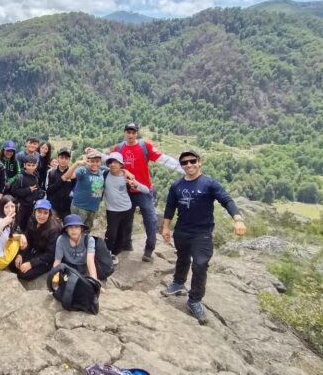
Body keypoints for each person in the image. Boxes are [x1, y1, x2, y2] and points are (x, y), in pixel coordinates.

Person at [160, 151, 246, 324]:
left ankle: (194, 300)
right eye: (184, 162)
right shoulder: (176, 185)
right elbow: (170, 207)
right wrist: (166, 227)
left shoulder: (209, 183)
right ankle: (178, 283)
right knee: (182, 258)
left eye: (192, 161)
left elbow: (226, 200)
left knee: (200, 265)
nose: (189, 165)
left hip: (202, 233)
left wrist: (238, 219)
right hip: (182, 230)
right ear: (181, 165)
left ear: (199, 162)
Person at [111, 122, 183, 262]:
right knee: (126, 220)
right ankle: (126, 245)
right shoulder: (118, 148)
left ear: (136, 133)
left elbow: (163, 159)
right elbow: (109, 162)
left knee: (150, 220)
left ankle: (149, 249)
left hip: (144, 191)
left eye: (133, 132)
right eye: (128, 132)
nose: (131, 135)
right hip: (126, 191)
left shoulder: (145, 146)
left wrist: (183, 168)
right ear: (124, 132)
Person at [103, 152, 149, 260]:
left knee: (123, 235)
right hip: (112, 210)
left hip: (127, 209)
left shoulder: (127, 177)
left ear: (121, 165)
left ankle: (114, 254)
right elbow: (94, 164)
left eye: (116, 162)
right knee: (111, 234)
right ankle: (105, 253)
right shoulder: (104, 173)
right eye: (110, 162)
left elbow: (146, 190)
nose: (112, 165)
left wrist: (135, 185)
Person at [13, 199, 60, 280]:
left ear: (49, 214)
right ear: (34, 211)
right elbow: (27, 239)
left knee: (24, 274)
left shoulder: (54, 229)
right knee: (14, 263)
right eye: (39, 211)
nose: (41, 216)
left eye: (45, 213)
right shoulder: (32, 219)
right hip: (34, 249)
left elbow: (50, 254)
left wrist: (31, 263)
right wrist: (21, 254)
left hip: (46, 258)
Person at [61, 149, 107, 231]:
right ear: (87, 161)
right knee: (76, 231)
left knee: (87, 231)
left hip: (93, 208)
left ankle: (84, 243)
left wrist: (126, 172)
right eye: (92, 161)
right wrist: (77, 163)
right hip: (80, 207)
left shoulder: (101, 171)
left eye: (97, 161)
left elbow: (115, 167)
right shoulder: (83, 170)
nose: (95, 163)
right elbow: (66, 177)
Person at [52, 214, 99, 282]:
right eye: (70, 227)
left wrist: (95, 282)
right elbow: (57, 261)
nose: (73, 230)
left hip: (84, 268)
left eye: (76, 227)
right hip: (68, 268)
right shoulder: (61, 240)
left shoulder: (89, 240)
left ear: (81, 228)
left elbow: (90, 261)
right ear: (66, 229)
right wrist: (53, 277)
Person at [10, 155, 42, 232]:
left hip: (32, 206)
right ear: (24, 165)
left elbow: (37, 189)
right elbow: (14, 191)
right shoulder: (20, 177)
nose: (31, 167)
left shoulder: (36, 175)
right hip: (22, 206)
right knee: (17, 225)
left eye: (33, 165)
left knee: (29, 226)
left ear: (36, 165)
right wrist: (28, 190)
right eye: (29, 165)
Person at [46, 147, 72, 220]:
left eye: (66, 158)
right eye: (61, 157)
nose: (64, 160)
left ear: (69, 160)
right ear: (58, 158)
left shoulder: (72, 173)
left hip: (67, 208)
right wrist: (61, 180)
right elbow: (48, 191)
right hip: (54, 207)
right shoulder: (52, 172)